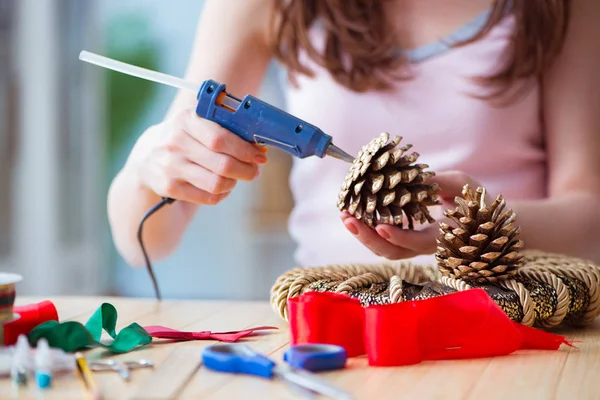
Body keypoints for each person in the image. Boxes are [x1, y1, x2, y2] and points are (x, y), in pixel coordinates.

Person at [107, 0, 600, 270]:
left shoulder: (559, 9)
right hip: (337, 328)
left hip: (518, 319)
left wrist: (478, 225)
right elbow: (145, 241)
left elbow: (589, 215)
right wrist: (148, 169)